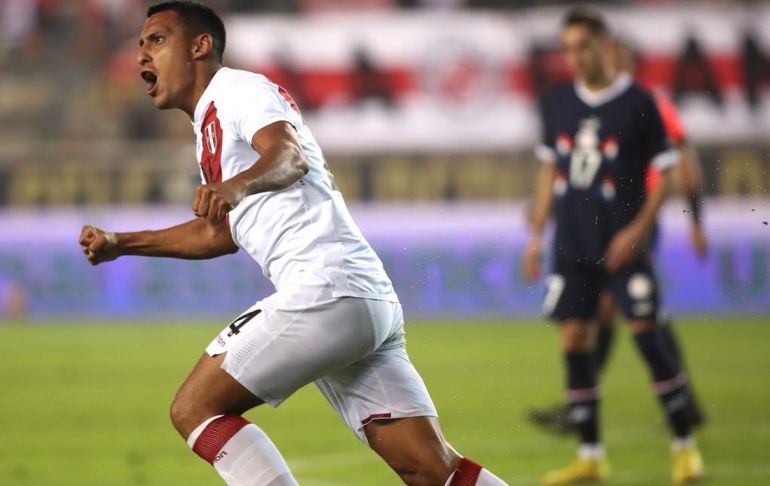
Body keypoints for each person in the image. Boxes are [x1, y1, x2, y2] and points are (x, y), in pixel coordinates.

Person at [78, 2, 508, 485]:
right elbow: (217, 234)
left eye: (156, 40)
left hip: (323, 289)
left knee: (195, 408)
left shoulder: (239, 89)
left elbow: (288, 155)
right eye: (139, 45)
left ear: (200, 46)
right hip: (358, 299)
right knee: (432, 470)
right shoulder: (208, 131)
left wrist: (237, 185)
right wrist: (122, 242)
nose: (141, 56)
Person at [521, 7, 704, 485]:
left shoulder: (641, 102)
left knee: (647, 334)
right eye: (568, 48)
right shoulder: (556, 102)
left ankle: (685, 447)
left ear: (606, 46)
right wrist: (537, 236)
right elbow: (548, 171)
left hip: (624, 244)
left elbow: (665, 172)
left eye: (584, 46)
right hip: (573, 243)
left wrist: (639, 228)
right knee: (575, 338)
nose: (576, 57)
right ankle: (590, 457)